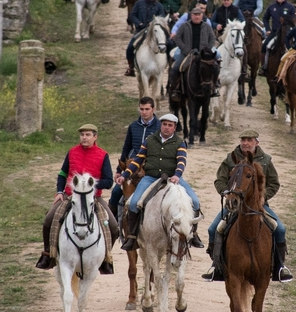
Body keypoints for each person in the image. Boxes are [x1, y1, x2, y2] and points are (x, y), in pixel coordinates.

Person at [202, 129, 292, 282]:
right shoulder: (231, 159)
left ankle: (279, 267)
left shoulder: (266, 160)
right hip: (234, 204)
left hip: (258, 206)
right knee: (213, 229)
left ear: (256, 142)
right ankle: (217, 266)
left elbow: (274, 183)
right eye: (243, 139)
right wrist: (227, 193)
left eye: (249, 140)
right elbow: (220, 180)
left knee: (280, 229)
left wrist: (263, 197)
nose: (245, 143)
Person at [35, 124, 117, 272]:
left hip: (93, 197)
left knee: (113, 226)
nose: (84, 137)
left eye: (88, 135)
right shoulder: (72, 152)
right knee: (48, 220)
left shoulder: (103, 155)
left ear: (95, 137)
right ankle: (48, 254)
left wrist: (90, 185)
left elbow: (109, 181)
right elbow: (62, 174)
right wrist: (60, 192)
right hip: (70, 195)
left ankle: (106, 258)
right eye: (82, 135)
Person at [115, 113, 203, 250]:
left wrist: (177, 175)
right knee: (132, 203)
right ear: (161, 125)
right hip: (150, 177)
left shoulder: (180, 142)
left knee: (195, 201)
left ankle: (194, 234)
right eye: (164, 124)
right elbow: (137, 160)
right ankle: (132, 236)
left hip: (173, 178)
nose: (166, 128)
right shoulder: (149, 140)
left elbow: (181, 162)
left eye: (170, 125)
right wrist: (125, 175)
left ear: (174, 128)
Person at [108, 97, 160, 222]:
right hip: (131, 166)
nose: (144, 112)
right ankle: (111, 223)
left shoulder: (159, 127)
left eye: (147, 109)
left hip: (149, 168)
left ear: (153, 109)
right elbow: (126, 148)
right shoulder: (133, 126)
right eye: (141, 109)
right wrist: (119, 170)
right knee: (116, 192)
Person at [169, 7, 220, 99]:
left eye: (199, 15)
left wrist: (207, 49)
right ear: (191, 16)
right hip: (187, 53)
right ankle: (176, 89)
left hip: (203, 54)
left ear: (202, 16)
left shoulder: (207, 26)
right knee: (176, 68)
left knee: (215, 66)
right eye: (195, 15)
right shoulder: (184, 26)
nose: (197, 17)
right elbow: (178, 38)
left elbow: (212, 38)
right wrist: (185, 49)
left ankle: (215, 86)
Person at [125, 0, 166, 77]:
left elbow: (162, 18)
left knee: (169, 44)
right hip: (141, 30)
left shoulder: (159, 6)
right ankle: (131, 67)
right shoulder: (139, 4)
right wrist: (139, 23)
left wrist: (153, 24)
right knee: (130, 47)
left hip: (154, 31)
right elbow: (132, 15)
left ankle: (166, 65)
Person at [259, 0, 296, 76]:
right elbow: (265, 18)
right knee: (265, 46)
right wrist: (268, 29)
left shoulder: (290, 7)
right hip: (275, 32)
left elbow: (294, 19)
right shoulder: (272, 7)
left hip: (288, 33)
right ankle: (264, 66)